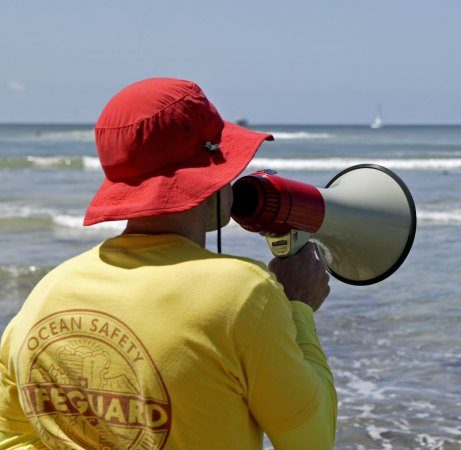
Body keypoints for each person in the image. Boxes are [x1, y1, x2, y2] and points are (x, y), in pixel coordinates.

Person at [0, 78, 337, 449]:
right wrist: (299, 305)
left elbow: (14, 439)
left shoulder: (46, 295)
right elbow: (312, 440)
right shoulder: (245, 292)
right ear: (211, 173)